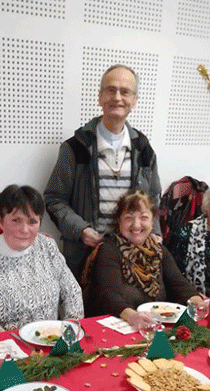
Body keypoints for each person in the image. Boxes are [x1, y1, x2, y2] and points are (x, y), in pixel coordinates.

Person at [44, 64, 161, 279]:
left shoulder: (144, 149)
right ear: (100, 97)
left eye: (125, 92)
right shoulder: (75, 147)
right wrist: (81, 230)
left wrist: (154, 232)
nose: (117, 97)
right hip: (85, 258)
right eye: (110, 90)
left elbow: (153, 200)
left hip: (131, 258)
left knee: (129, 312)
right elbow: (54, 199)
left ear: (134, 100)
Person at [0, 185, 84, 334]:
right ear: (0, 221)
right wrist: (13, 347)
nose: (25, 229)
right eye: (16, 220)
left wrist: (68, 332)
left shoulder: (47, 246)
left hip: (52, 342)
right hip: (8, 349)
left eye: (32, 221)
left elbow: (73, 293)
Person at [83, 190, 204, 330]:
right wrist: (132, 316)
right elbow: (108, 295)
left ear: (152, 221)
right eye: (129, 218)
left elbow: (179, 283)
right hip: (121, 328)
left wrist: (197, 301)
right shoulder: (109, 249)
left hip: (155, 327)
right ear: (119, 221)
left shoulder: (159, 250)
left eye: (144, 217)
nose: (136, 225)